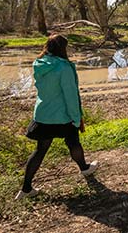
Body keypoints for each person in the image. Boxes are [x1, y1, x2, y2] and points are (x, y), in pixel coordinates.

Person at [15, 34, 98, 200]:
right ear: (62, 48)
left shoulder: (39, 64)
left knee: (40, 150)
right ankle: (84, 168)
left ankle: (25, 189)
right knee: (73, 142)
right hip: (62, 116)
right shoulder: (64, 68)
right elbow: (70, 96)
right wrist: (76, 118)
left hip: (43, 114)